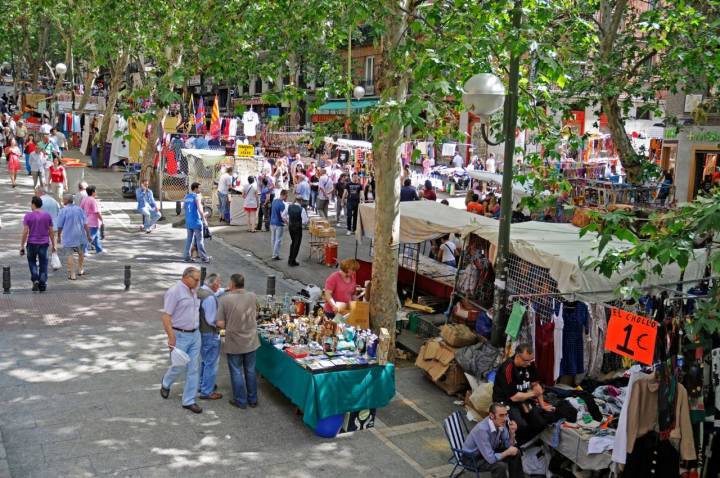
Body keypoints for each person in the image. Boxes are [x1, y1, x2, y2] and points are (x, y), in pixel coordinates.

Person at [160, 267, 203, 414]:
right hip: (180, 335)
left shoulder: (194, 290)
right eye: (196, 280)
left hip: (195, 334)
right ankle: (166, 382)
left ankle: (189, 401)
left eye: (199, 280)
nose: (198, 283)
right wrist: (171, 336)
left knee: (194, 368)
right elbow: (166, 316)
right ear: (186, 277)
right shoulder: (174, 292)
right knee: (178, 365)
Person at [492, 343, 554, 444]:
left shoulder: (529, 364)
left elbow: (535, 385)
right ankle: (514, 444)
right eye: (527, 360)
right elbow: (513, 397)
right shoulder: (507, 368)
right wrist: (533, 393)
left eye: (531, 360)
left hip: (522, 398)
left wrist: (543, 405)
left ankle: (527, 441)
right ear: (517, 356)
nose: (529, 363)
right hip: (506, 402)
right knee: (521, 425)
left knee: (540, 421)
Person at [216, 273, 260, 409]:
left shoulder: (224, 300)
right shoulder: (252, 296)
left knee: (236, 370)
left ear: (232, 285)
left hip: (234, 341)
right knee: (250, 370)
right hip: (251, 340)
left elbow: (220, 323)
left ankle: (240, 400)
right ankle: (253, 399)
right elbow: (256, 314)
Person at [462, 403, 523, 478]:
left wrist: (512, 433)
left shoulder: (500, 423)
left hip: (488, 451)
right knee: (500, 466)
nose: (504, 419)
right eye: (501, 415)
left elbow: (508, 445)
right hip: (472, 459)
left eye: (506, 415)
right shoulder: (482, 430)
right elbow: (491, 459)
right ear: (491, 415)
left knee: (516, 452)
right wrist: (507, 452)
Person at [20, 196, 56, 292]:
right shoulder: (47, 216)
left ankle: (35, 279)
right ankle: (42, 284)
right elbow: (51, 232)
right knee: (43, 264)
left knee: (32, 262)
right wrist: (54, 244)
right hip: (44, 244)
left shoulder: (28, 216)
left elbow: (25, 231)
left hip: (31, 243)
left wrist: (22, 246)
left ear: (33, 204)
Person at [198, 273, 224, 400]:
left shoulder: (201, 291)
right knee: (211, 363)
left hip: (201, 331)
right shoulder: (209, 298)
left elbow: (217, 293)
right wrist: (221, 325)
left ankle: (202, 384)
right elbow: (211, 319)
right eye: (219, 283)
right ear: (214, 284)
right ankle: (207, 391)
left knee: (204, 360)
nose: (220, 286)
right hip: (210, 333)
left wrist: (225, 290)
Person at [56, 194, 91, 280]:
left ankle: (72, 274)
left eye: (63, 199)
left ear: (66, 201)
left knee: (70, 255)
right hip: (80, 235)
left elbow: (60, 225)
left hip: (68, 236)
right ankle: (80, 269)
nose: (63, 201)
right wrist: (88, 235)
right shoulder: (80, 209)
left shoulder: (63, 211)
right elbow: (86, 223)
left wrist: (59, 236)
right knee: (81, 253)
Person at [183, 182, 210, 262]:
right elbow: (200, 210)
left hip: (188, 221)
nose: (200, 189)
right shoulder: (196, 197)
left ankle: (186, 257)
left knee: (189, 239)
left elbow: (184, 207)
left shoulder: (187, 196)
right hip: (196, 221)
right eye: (199, 188)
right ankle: (204, 258)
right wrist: (204, 219)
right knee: (199, 240)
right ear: (195, 188)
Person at [283, 196, 309, 267]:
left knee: (293, 242)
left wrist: (288, 221)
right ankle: (292, 260)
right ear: (300, 201)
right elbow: (305, 221)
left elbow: (283, 215)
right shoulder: (301, 209)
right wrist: (300, 223)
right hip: (298, 227)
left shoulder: (289, 207)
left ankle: (290, 259)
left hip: (291, 226)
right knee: (296, 244)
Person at [81, 186, 104, 255]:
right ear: (93, 192)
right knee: (91, 237)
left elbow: (81, 208)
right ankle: (84, 251)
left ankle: (99, 249)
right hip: (93, 222)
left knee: (96, 236)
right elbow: (96, 212)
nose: (96, 192)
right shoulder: (93, 200)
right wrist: (101, 219)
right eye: (95, 191)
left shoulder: (84, 199)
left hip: (86, 220)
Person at [269, 189, 288, 260]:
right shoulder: (282, 204)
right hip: (279, 224)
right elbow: (282, 216)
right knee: (278, 240)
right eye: (286, 196)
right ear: (284, 195)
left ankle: (273, 252)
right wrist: (287, 223)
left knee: (273, 239)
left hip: (272, 222)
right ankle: (275, 254)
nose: (287, 198)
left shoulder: (274, 201)